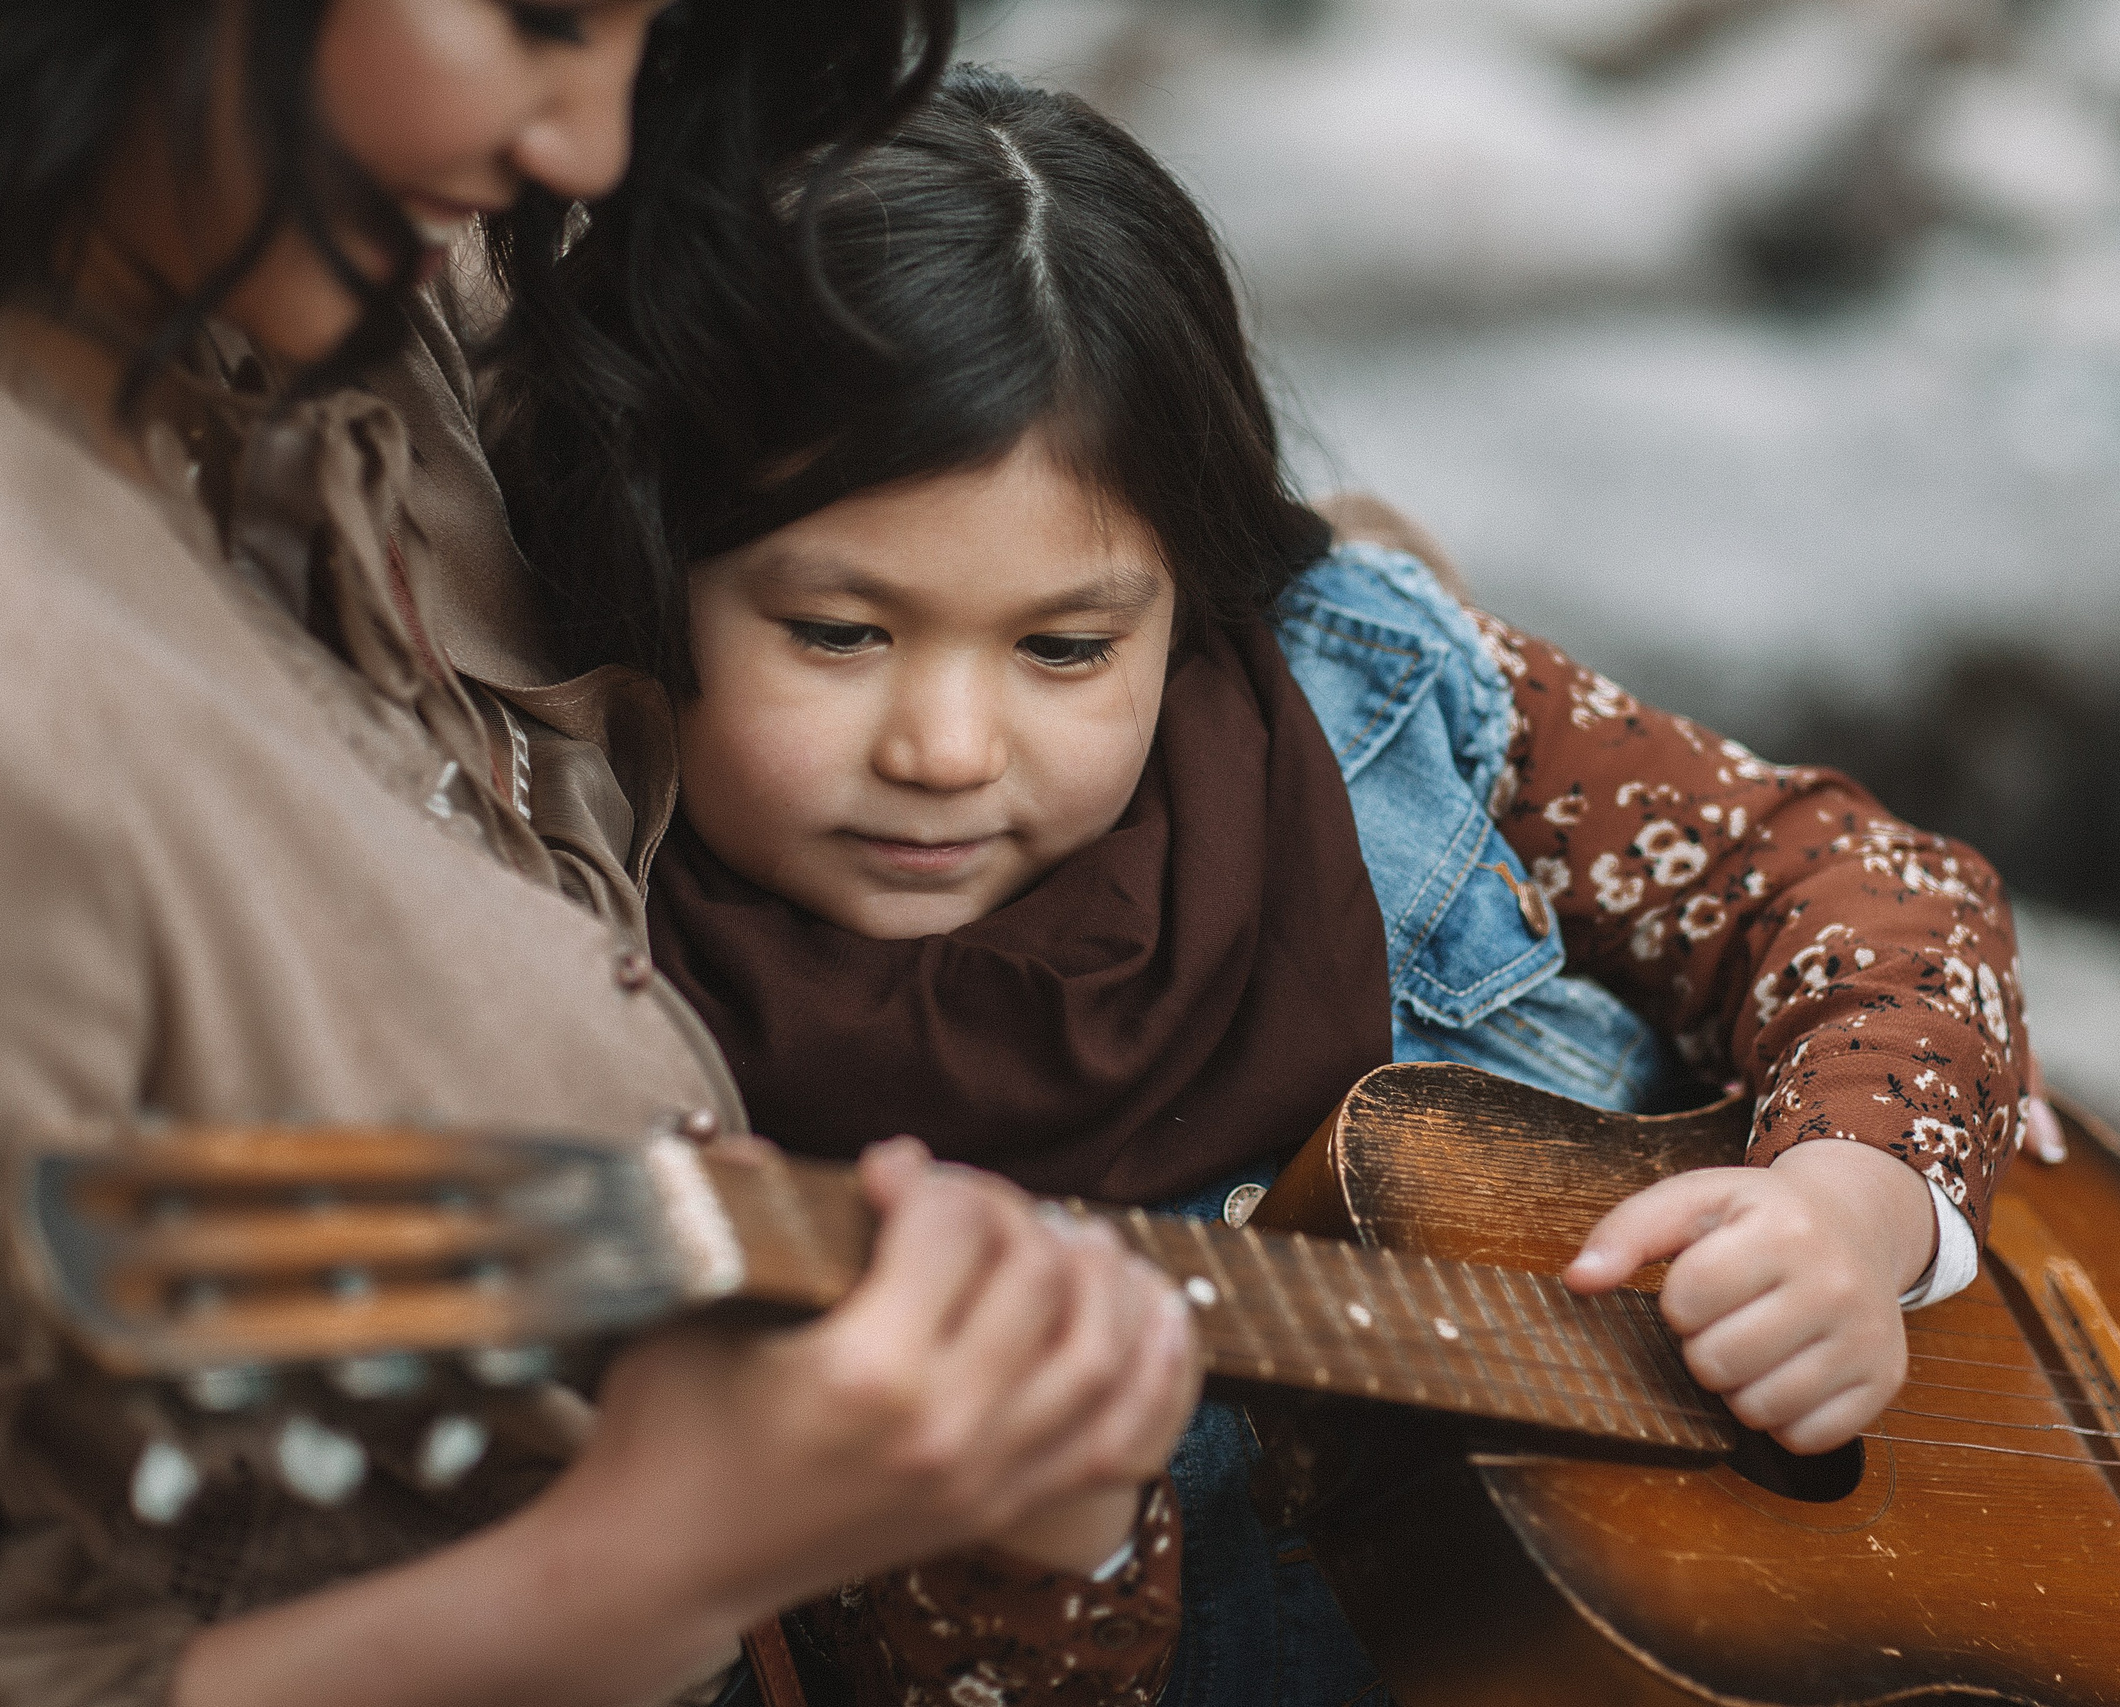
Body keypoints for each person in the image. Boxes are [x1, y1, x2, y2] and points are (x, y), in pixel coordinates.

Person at [483, 66, 2037, 1707]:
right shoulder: (633, 1062)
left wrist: (1852, 1207)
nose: (946, 746)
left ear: (1194, 588)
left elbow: (1846, 878)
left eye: (1066, 647)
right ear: (647, 563)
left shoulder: (1372, 703)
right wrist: (1046, 1536)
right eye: (839, 635)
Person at [0, 9, 1199, 1707]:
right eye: (541, 18)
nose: (587, 152)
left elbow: (1092, 495)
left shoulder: (372, 274)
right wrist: (640, 1569)